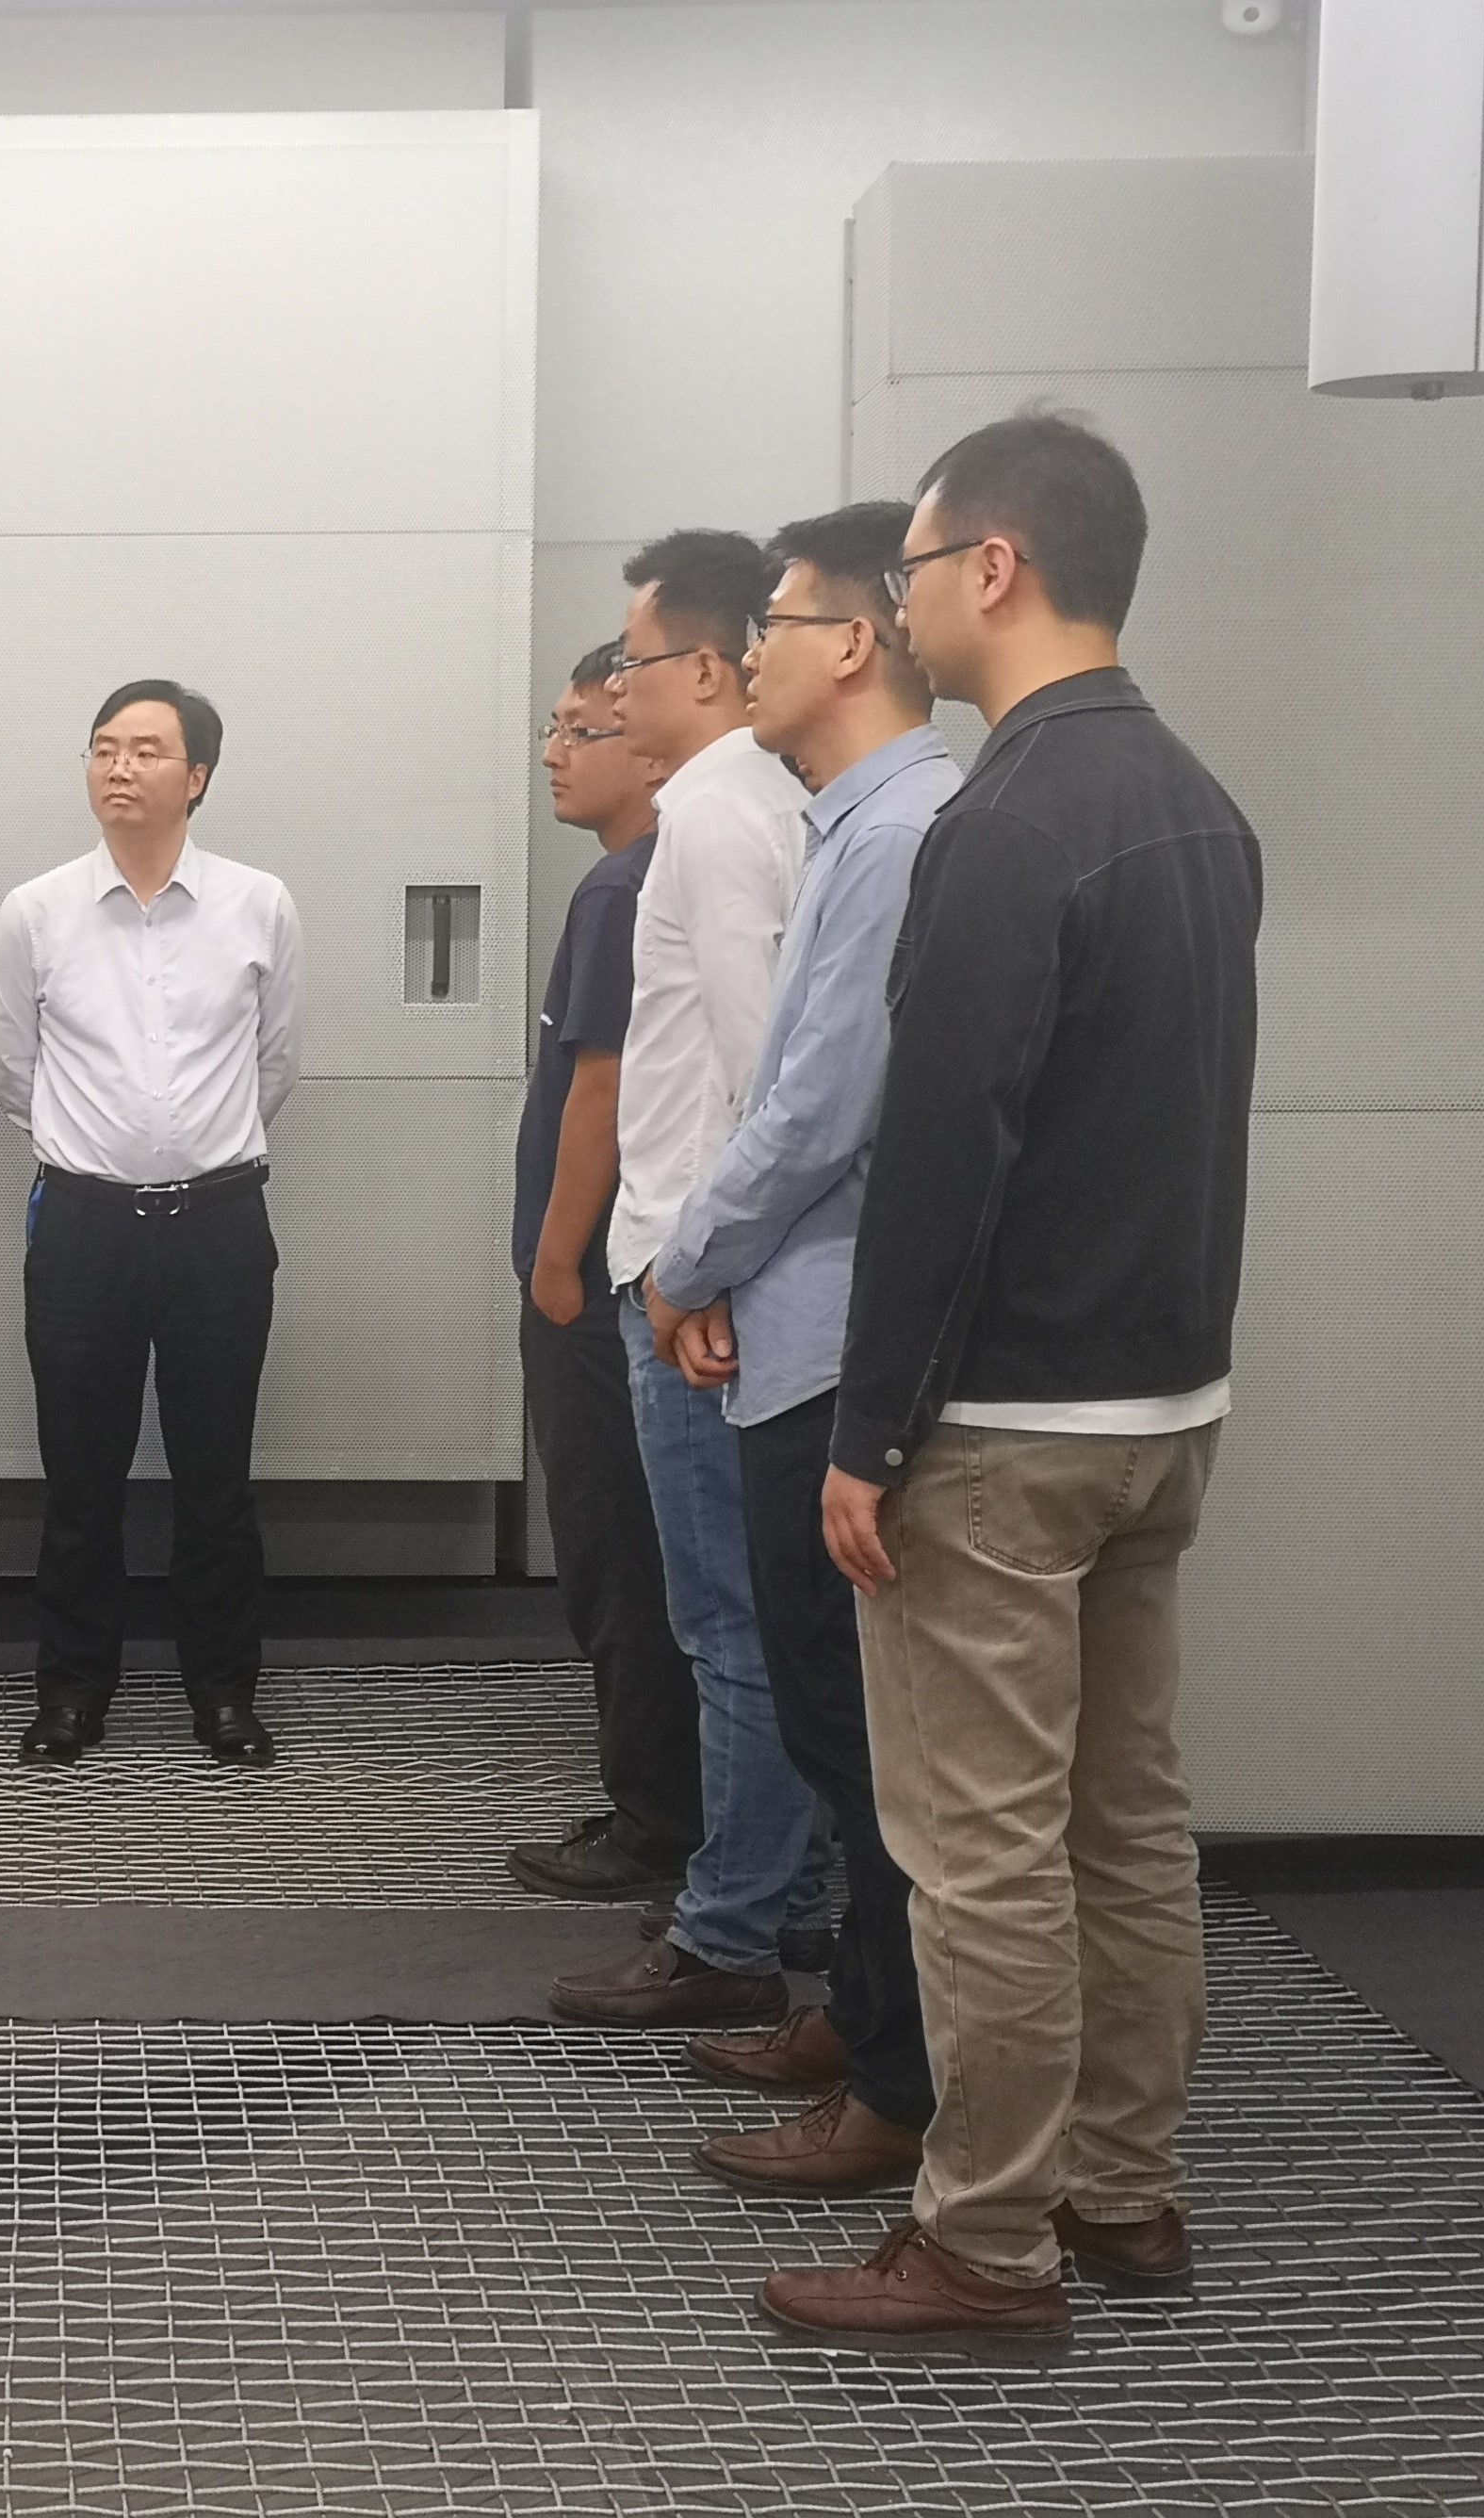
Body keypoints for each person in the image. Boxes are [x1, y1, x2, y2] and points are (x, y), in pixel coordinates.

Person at [764, 410, 1259, 2356]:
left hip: (998, 1433)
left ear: (993, 567)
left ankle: (984, 2246)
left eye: (912, 567)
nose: (898, 606)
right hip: (1162, 1415)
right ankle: (1123, 2194)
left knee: (979, 1853)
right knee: (1125, 1828)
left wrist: (867, 1433)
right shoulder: (1196, 803)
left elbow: (940, 1161)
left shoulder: (1004, 823)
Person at [640, 502, 959, 2201]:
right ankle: (866, 2026)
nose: (745, 653)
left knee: (853, 1734)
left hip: (830, 1340)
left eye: (772, 622)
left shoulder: (898, 831)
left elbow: (814, 1103)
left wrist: (684, 1262)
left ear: (852, 641)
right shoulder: (850, 817)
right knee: (839, 1726)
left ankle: (897, 2089)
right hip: (793, 1320)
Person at [548, 528, 827, 2034]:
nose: (613, 690)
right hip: (721, 1266)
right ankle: (771, 1888)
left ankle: (729, 1932)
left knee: (727, 1625)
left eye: (636, 661)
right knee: (758, 1620)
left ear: (708, 669)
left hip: (692, 1277)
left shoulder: (715, 817)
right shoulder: (767, 803)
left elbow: (753, 1065)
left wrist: (691, 1274)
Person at [0, 682, 300, 1768]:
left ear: (197, 777)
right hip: (84, 1228)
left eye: (147, 750)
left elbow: (275, 1063)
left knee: (217, 1477)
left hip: (219, 1224)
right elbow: (15, 1073)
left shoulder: (259, 904)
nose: (119, 767)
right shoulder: (35, 912)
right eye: (104, 748)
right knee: (81, 1478)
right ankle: (73, 1691)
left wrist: (191, 1150)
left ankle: (224, 1693)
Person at [506, 647, 697, 1898]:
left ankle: (654, 1821)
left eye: (581, 730)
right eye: (554, 727)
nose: (554, 753)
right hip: (628, 1273)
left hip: (596, 1282)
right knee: (640, 1549)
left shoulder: (624, 891)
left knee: (616, 1550)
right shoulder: (647, 878)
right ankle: (670, 1804)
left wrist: (554, 1261)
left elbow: (604, 1093)